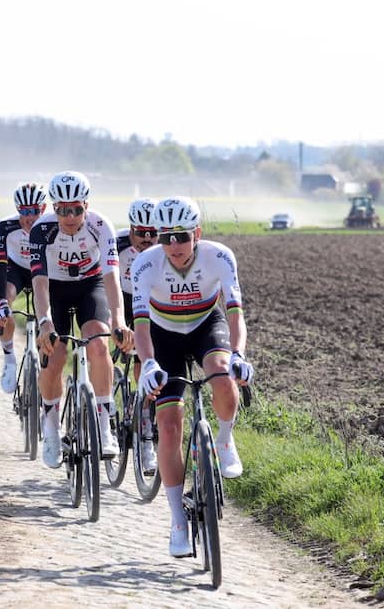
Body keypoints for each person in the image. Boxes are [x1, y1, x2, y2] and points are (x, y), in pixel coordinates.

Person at [132, 196, 255, 558]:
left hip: (205, 325)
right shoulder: (145, 264)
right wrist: (149, 364)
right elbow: (140, 326)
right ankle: (177, 522)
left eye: (181, 237)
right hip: (163, 336)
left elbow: (234, 314)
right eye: (165, 237)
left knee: (222, 374)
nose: (173, 246)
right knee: (169, 426)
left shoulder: (219, 256)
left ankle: (224, 440)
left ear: (197, 233)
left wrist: (239, 355)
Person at [31, 170, 134, 468]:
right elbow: (39, 283)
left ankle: (104, 424)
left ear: (86, 206)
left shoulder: (101, 227)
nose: (70, 216)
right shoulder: (42, 230)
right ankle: (51, 425)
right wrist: (45, 321)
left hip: (91, 286)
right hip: (56, 290)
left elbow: (111, 277)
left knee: (99, 346)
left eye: (76, 209)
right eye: (62, 210)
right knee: (55, 356)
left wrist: (118, 319)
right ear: (54, 208)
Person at [115, 198, 159, 472]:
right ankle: (103, 410)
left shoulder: (166, 247)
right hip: (121, 299)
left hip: (151, 302)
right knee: (105, 349)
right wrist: (116, 324)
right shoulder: (117, 244)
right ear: (130, 229)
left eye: (152, 233)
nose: (146, 238)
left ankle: (145, 428)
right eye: (140, 232)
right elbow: (100, 281)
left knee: (147, 357)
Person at [0, 182, 48, 393]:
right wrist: (1, 302)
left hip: (42, 271)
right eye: (24, 211)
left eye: (34, 211)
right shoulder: (5, 227)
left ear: (43, 209)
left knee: (49, 315)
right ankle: (9, 359)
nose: (29, 217)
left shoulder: (52, 225)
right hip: (15, 270)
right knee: (4, 302)